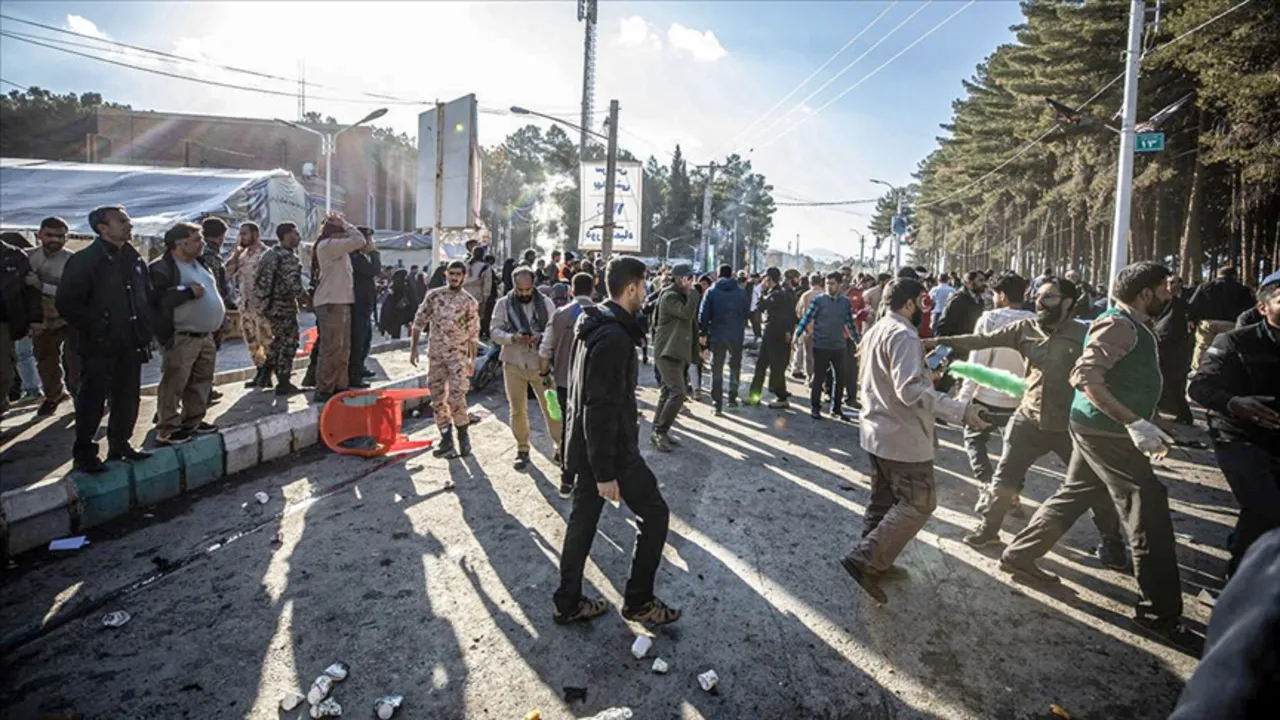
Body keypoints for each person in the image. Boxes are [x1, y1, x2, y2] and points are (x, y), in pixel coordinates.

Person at [1001, 262, 1187, 640]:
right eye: (1165, 289)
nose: (1171, 296)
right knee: (1146, 505)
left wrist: (1148, 420)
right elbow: (1085, 376)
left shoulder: (1132, 324)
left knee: (1076, 493)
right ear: (1146, 294)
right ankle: (1159, 613)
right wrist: (1133, 422)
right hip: (1108, 433)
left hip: (1100, 428)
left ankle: (1019, 555)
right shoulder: (1118, 324)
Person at [927, 278, 1126, 561]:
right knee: (1004, 477)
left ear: (1068, 302)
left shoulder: (1084, 334)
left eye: (1049, 297)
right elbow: (982, 341)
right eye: (1038, 296)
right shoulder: (1025, 328)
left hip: (1068, 423)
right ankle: (989, 529)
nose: (1039, 302)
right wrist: (937, 341)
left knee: (1092, 483)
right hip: (1028, 418)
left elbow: (1106, 371)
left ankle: (1113, 543)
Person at [841, 278, 988, 603]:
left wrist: (925, 373)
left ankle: (878, 560)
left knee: (883, 501)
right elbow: (909, 392)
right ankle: (866, 558)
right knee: (919, 502)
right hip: (901, 437)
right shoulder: (904, 336)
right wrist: (959, 410)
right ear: (909, 303)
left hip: (878, 432)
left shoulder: (878, 329)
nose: (923, 309)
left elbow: (892, 379)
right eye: (920, 302)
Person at [554, 256, 681, 627]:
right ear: (631, 288)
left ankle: (567, 602)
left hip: (588, 446)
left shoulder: (595, 323)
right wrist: (606, 471)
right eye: (644, 286)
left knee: (583, 522)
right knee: (655, 514)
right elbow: (600, 407)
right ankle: (639, 601)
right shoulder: (613, 337)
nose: (646, 292)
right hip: (610, 451)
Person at [1187, 269, 1280, 578]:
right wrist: (1234, 404)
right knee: (1266, 508)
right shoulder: (1234, 342)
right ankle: (1239, 577)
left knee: (1264, 513)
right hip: (1238, 437)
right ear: (1263, 307)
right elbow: (1199, 387)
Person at [56, 206, 154, 472]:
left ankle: (120, 444)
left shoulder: (133, 258)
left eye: (129, 220)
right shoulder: (85, 260)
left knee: (128, 397)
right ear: (103, 228)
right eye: (122, 221)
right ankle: (85, 455)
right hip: (100, 344)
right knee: (93, 399)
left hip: (131, 341)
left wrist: (145, 329)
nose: (129, 225)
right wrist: (99, 327)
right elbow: (67, 303)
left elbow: (144, 294)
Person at [951, 272, 1034, 490]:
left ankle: (987, 483)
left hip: (987, 397)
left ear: (1003, 295)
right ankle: (1013, 491)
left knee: (974, 438)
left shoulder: (989, 319)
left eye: (995, 293)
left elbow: (978, 361)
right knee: (1016, 449)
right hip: (1020, 400)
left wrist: (963, 399)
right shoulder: (1035, 322)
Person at [148, 222, 225, 445]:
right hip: (182, 336)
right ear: (180, 243)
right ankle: (167, 428)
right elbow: (156, 300)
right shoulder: (162, 267)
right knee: (174, 383)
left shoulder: (200, 264)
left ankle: (193, 421)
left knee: (201, 381)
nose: (202, 243)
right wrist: (187, 292)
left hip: (205, 336)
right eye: (197, 239)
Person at [490, 265, 561, 471]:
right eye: (520, 290)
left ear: (533, 286)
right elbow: (494, 331)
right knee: (517, 410)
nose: (524, 294)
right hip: (514, 363)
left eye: (527, 290)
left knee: (552, 408)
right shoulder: (503, 304)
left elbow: (554, 329)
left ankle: (560, 447)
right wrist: (512, 338)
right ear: (514, 287)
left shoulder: (546, 303)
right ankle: (522, 449)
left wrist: (540, 336)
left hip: (542, 365)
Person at [409, 260, 479, 459]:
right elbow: (418, 322)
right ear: (446, 274)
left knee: (456, 396)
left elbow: (473, 334)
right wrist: (414, 349)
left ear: (464, 277)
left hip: (458, 357)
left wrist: (472, 360)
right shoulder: (434, 296)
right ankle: (445, 437)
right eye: (452, 273)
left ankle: (463, 434)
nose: (455, 277)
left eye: (459, 274)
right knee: (437, 398)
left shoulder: (469, 301)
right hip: (437, 356)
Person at [540, 272, 595, 498]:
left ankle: (567, 479)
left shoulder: (560, 314)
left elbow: (546, 348)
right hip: (592, 383)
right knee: (590, 429)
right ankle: (591, 477)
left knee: (568, 430)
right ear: (593, 289)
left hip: (564, 382)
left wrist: (544, 372)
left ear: (572, 290)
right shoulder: (600, 314)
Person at [311, 213, 375, 403]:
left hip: (341, 301)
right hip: (331, 303)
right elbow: (359, 239)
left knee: (343, 348)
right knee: (332, 348)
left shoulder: (338, 249)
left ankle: (339, 386)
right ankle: (324, 388)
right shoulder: (329, 245)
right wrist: (345, 223)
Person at [26, 217, 78, 416]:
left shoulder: (72, 260)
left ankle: (80, 396)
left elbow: (72, 291)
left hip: (69, 318)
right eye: (50, 235)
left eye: (60, 236)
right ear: (39, 235)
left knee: (76, 360)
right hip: (42, 320)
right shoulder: (27, 257)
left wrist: (42, 286)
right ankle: (53, 396)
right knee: (46, 360)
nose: (55, 240)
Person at [795, 271, 858, 421]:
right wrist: (797, 334)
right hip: (821, 344)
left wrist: (857, 341)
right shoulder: (819, 301)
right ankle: (815, 408)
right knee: (818, 377)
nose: (830, 287)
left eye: (833, 284)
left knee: (840, 377)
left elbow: (849, 323)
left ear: (840, 285)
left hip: (839, 345)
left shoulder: (845, 302)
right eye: (828, 284)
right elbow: (806, 318)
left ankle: (836, 409)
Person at [253, 222, 307, 396]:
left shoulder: (268, 254)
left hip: (268, 306)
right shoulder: (287, 257)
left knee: (277, 341)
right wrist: (308, 299)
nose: (298, 238)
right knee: (288, 342)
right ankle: (283, 382)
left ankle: (265, 373)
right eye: (295, 234)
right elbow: (294, 286)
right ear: (287, 235)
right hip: (283, 306)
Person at [650, 263, 699, 452]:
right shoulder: (670, 296)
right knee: (678, 393)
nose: (691, 281)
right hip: (667, 352)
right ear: (679, 279)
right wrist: (694, 292)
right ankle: (660, 431)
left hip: (675, 352)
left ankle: (658, 431)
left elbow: (692, 324)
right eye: (688, 278)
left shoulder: (680, 295)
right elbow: (686, 314)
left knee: (667, 392)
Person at [226, 221, 273, 388]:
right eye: (241, 234)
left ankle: (267, 373)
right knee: (251, 341)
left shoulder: (266, 253)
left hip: (262, 306)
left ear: (255, 234)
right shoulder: (242, 255)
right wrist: (236, 254)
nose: (242, 237)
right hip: (246, 306)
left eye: (245, 233)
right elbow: (229, 273)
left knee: (266, 340)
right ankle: (260, 371)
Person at [699, 264, 750, 415]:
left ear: (719, 275)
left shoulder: (711, 291)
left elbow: (703, 315)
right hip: (736, 335)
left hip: (717, 334)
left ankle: (717, 403)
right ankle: (732, 399)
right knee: (735, 366)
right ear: (732, 275)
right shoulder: (741, 292)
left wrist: (703, 332)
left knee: (717, 368)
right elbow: (747, 312)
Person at [1, 234, 42, 418]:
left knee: (4, 370)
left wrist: (35, 319)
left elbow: (30, 291)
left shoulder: (14, 255)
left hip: (5, 322)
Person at [1189, 266, 1255, 371]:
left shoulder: (1205, 286)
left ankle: (1197, 371)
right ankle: (1227, 371)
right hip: (1231, 324)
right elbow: (1250, 308)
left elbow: (1193, 305)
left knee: (1202, 347)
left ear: (1218, 274)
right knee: (1229, 349)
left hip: (1208, 323)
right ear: (1234, 275)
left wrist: (1192, 319)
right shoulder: (1242, 289)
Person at [747, 267, 796, 409]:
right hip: (771, 334)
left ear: (769, 279)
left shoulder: (777, 295)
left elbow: (760, 306)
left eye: (765, 279)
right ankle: (754, 396)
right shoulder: (779, 293)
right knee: (761, 365)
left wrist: (761, 291)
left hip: (776, 335)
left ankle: (782, 397)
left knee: (776, 367)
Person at [1155, 274, 1194, 424]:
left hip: (1175, 350)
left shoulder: (1182, 304)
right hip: (1163, 346)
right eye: (1167, 283)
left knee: (1174, 383)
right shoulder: (1161, 303)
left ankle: (1184, 414)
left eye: (1172, 283)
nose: (1169, 286)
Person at [349, 226, 381, 389]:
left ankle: (360, 368)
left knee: (366, 339)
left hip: (365, 304)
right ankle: (354, 375)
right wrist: (374, 253)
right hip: (358, 304)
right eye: (368, 239)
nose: (370, 243)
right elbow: (374, 270)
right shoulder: (354, 257)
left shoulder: (360, 256)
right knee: (358, 340)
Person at [790, 273, 824, 381]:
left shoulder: (806, 295)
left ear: (810, 282)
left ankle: (810, 378)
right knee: (821, 356)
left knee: (809, 355)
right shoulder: (826, 295)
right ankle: (819, 378)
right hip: (823, 330)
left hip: (808, 329)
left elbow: (799, 312)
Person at [935, 270, 987, 338]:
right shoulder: (958, 300)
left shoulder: (979, 300)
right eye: (980, 280)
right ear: (969, 283)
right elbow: (944, 326)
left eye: (984, 280)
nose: (984, 283)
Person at [378, 269, 415, 339]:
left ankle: (392, 336)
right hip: (398, 308)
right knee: (396, 325)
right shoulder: (402, 283)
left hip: (394, 308)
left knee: (395, 326)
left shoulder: (394, 283)